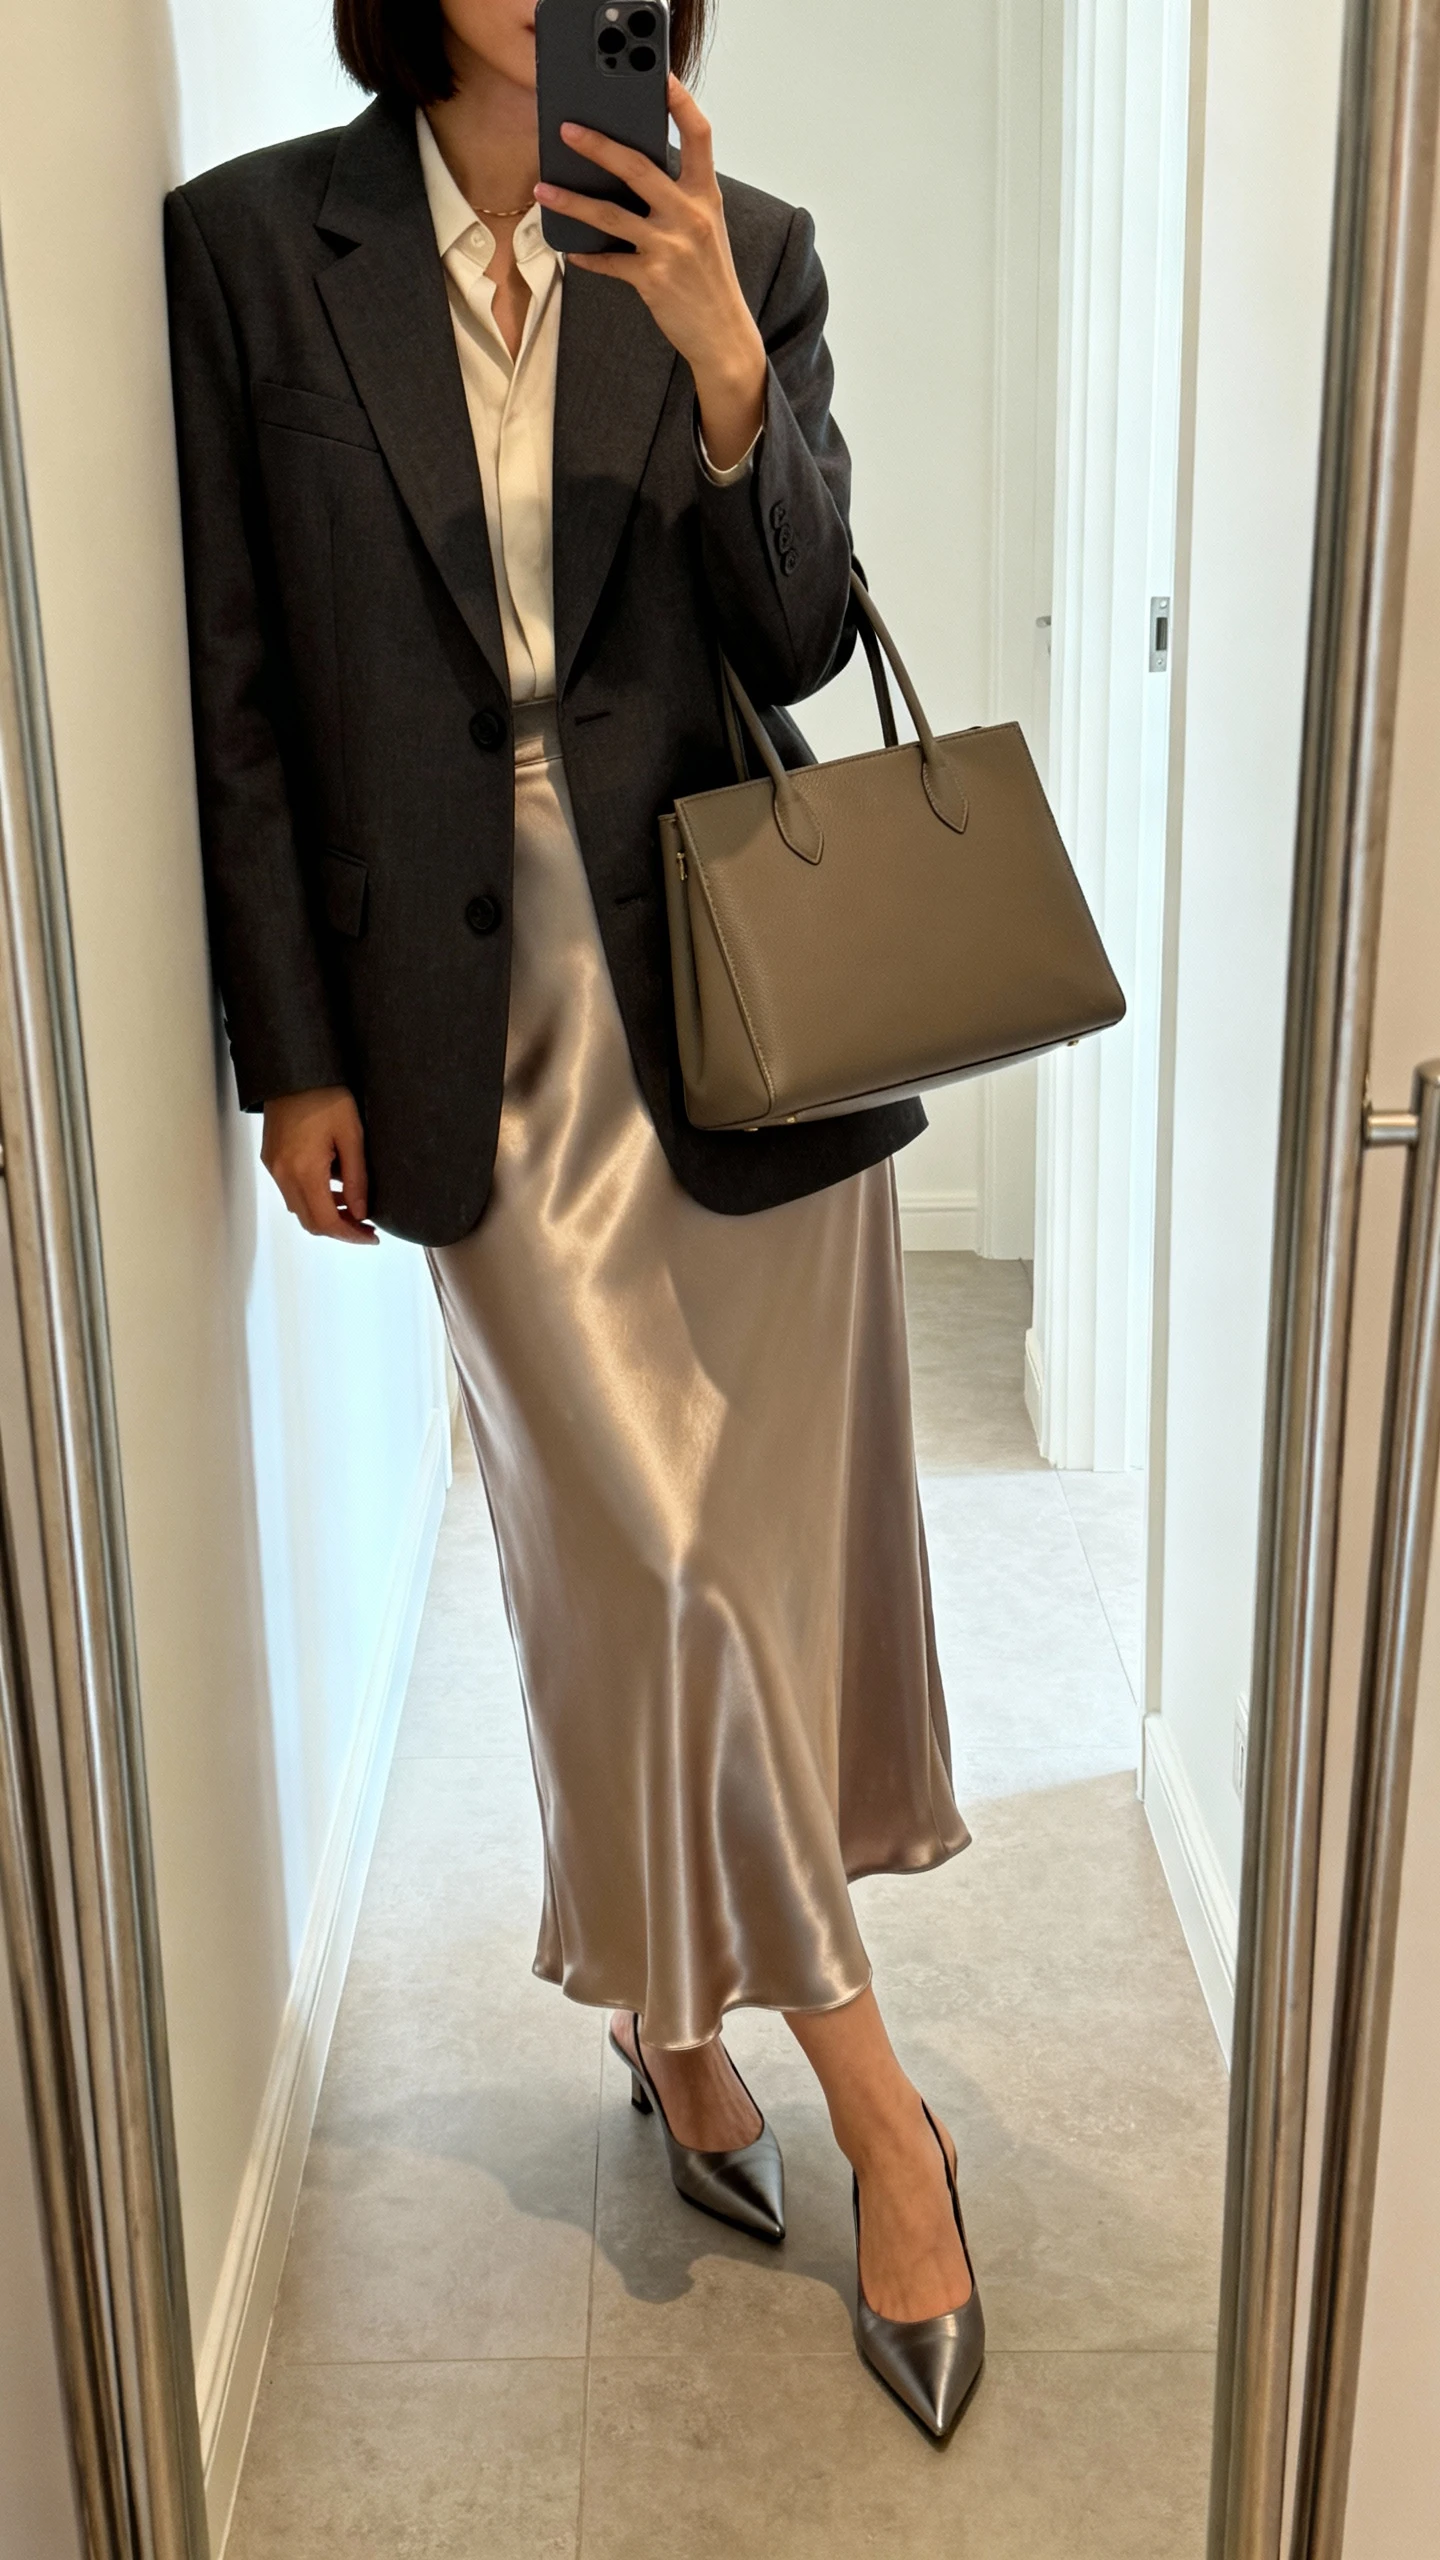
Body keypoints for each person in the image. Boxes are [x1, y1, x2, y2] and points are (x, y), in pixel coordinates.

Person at [164, 0, 982, 2441]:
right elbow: (232, 683)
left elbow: (804, 636)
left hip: (723, 1017)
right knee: (641, 1557)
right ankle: (887, 2116)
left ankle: (683, 2023)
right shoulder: (255, 249)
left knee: (713, 1571)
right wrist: (285, 1046)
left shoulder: (751, 247)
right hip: (460, 1037)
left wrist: (732, 365)